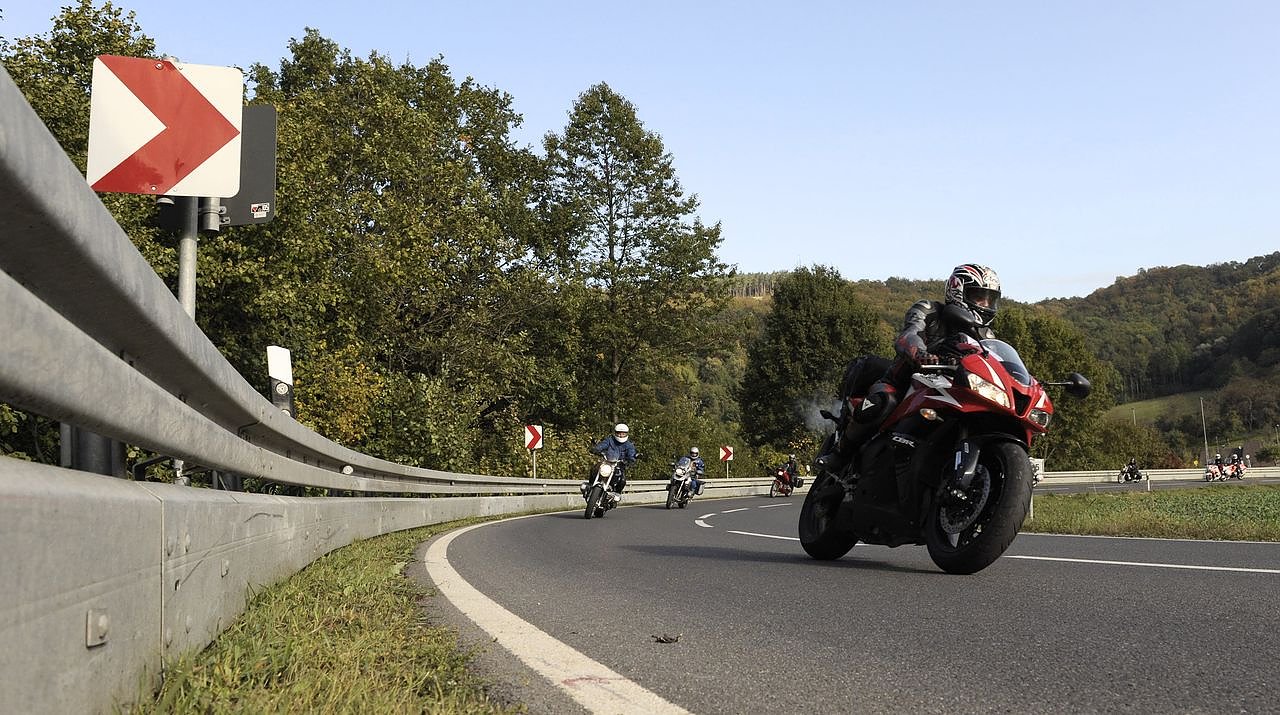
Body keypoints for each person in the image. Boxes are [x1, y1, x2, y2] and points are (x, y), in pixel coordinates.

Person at [817, 264, 1001, 472]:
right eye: (979, 297)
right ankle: (839, 453)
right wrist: (919, 353)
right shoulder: (928, 310)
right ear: (957, 290)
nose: (985, 304)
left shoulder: (986, 336)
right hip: (904, 383)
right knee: (883, 402)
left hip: (951, 390)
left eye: (990, 299)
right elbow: (909, 334)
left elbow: (995, 362)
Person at [583, 423, 638, 500]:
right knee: (594, 468)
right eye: (619, 433)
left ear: (626, 434)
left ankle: (617, 493)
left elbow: (631, 455)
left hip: (619, 465)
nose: (621, 435)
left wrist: (631, 459)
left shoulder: (629, 445)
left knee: (622, 480)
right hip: (607, 462)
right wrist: (596, 449)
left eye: (623, 433)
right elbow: (602, 445)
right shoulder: (610, 440)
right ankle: (590, 485)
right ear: (615, 433)